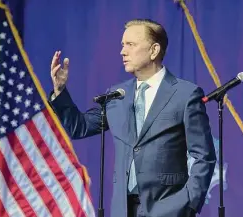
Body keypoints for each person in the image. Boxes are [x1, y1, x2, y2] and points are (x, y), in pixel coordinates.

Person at [48, 19, 216, 217]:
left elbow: (204, 156)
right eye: (122, 45)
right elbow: (80, 127)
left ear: (154, 50)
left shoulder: (185, 94)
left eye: (131, 45)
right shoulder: (118, 95)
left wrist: (189, 203)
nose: (123, 51)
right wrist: (59, 91)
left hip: (170, 208)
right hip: (124, 209)